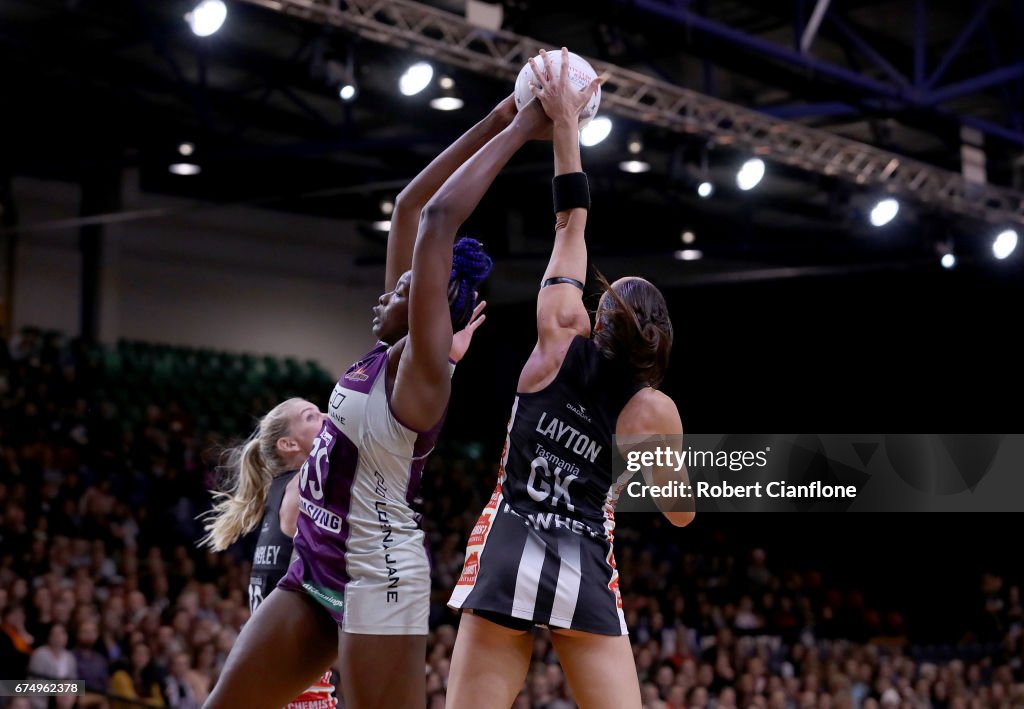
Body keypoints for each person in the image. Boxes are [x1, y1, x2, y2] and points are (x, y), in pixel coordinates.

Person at [203, 92, 538, 708]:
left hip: (378, 577)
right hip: (316, 566)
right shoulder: (387, 351)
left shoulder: (421, 374)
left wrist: (521, 128)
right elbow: (412, 204)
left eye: (407, 286)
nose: (389, 293)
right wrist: (492, 116)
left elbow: (439, 220)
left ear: (432, 313)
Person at [445, 48, 694, 709]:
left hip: (508, 537)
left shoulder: (559, 329)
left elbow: (569, 216)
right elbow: (679, 511)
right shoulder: (653, 410)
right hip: (583, 557)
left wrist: (565, 122)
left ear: (598, 316)